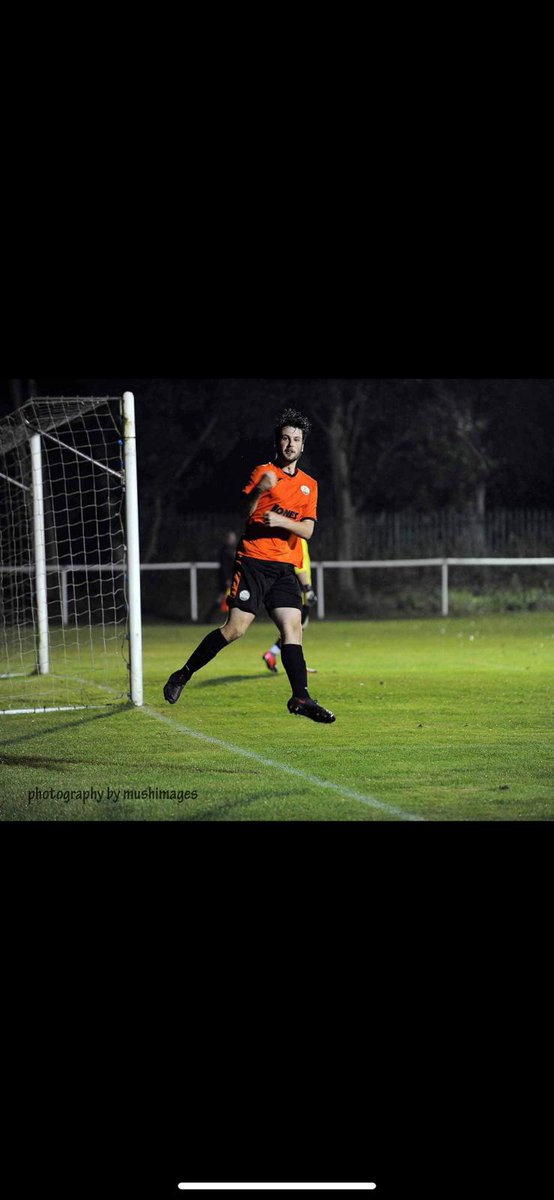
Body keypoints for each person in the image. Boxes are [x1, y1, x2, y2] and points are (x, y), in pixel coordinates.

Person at [163, 407, 336, 723]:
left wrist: (282, 520)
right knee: (235, 630)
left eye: (296, 439)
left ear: (303, 445)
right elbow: (244, 510)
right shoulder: (263, 472)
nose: (290, 444)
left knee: (292, 628)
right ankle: (183, 673)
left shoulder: (309, 485)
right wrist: (260, 490)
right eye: (285, 438)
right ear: (277, 442)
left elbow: (308, 530)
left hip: (284, 568)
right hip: (253, 563)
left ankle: (300, 697)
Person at [262, 536, 317, 673]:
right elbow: (299, 566)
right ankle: (296, 664)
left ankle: (272, 653)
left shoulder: (290, 539)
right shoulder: (298, 540)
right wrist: (308, 589)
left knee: (297, 628)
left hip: (299, 588)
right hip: (301, 589)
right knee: (296, 629)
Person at [204, 530, 237, 622]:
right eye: (232, 537)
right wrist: (227, 578)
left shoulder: (230, 550)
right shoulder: (225, 551)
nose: (233, 539)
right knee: (226, 597)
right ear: (228, 539)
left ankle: (210, 618)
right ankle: (209, 618)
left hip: (229, 578)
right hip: (226, 579)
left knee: (224, 597)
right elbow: (225, 567)